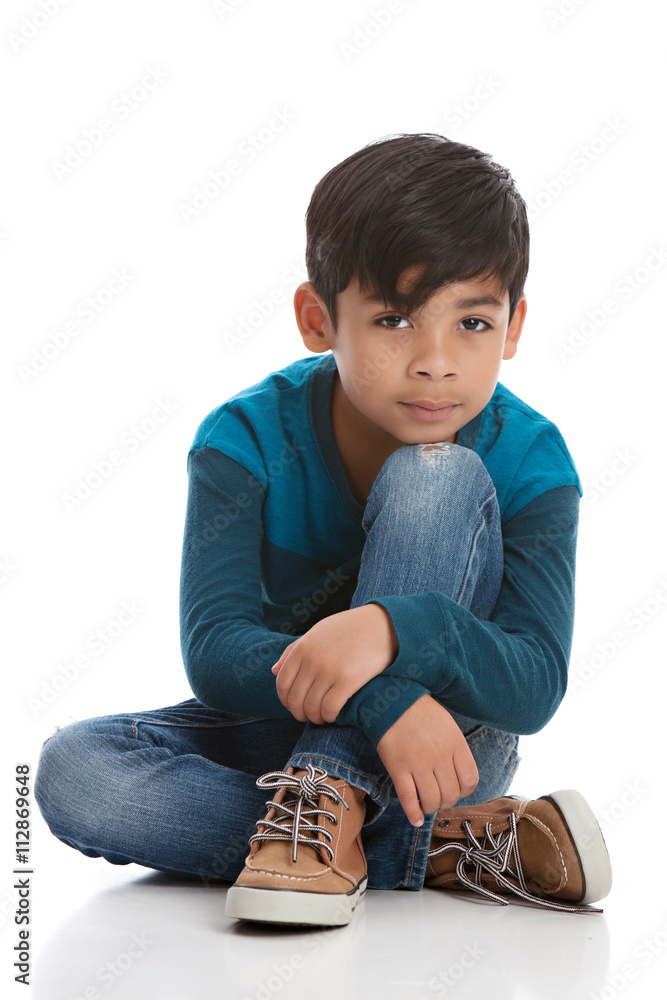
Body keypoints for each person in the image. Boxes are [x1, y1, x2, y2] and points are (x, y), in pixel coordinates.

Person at [35, 132, 612, 928]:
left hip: (440, 752)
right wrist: (381, 700)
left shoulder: (531, 460)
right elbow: (215, 650)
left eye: (472, 324)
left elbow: (534, 682)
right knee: (77, 773)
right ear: (317, 318)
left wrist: (392, 629)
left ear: (513, 327)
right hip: (301, 725)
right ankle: (437, 847)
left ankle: (327, 820)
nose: (435, 362)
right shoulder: (244, 439)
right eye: (394, 319)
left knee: (433, 471)